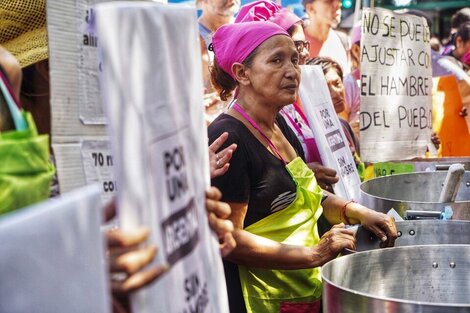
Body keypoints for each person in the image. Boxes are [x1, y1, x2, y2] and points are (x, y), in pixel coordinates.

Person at [208, 21, 397, 313]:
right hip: (260, 299)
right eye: (276, 60)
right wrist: (314, 254)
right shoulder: (228, 138)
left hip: (300, 291)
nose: (292, 71)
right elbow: (228, 238)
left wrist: (357, 212)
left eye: (294, 59)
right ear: (241, 73)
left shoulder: (279, 123)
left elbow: (307, 196)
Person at [234, 0, 340, 190]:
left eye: (295, 56)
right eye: (277, 59)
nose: (305, 54)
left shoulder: (283, 112)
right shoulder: (236, 130)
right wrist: (301, 176)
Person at [302, 0, 350, 77]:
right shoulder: (295, 44)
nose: (338, 4)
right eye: (329, 1)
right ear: (310, 8)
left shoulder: (343, 40)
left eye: (339, 0)